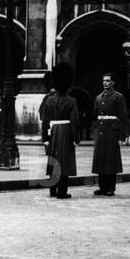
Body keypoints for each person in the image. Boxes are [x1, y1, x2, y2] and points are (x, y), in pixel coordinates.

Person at [40, 63, 81, 199]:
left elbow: (45, 121)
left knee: (54, 160)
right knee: (65, 161)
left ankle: (52, 190)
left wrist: (45, 138)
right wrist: (76, 138)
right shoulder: (71, 101)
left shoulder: (49, 100)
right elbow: (74, 121)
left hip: (53, 131)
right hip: (66, 131)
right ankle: (62, 192)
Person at [92, 73, 127, 196]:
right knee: (101, 159)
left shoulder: (118, 97)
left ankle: (110, 187)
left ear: (113, 82)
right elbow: (95, 115)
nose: (105, 83)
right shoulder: (98, 98)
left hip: (112, 131)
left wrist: (122, 135)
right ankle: (102, 187)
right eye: (104, 81)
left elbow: (123, 117)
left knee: (111, 160)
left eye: (107, 81)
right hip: (101, 131)